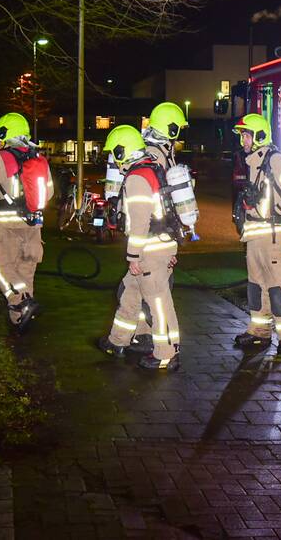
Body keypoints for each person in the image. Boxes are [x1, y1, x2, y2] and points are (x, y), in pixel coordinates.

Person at [97, 125, 182, 371]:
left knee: (158, 304)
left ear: (123, 151)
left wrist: (133, 256)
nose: (113, 159)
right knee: (129, 295)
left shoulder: (137, 178)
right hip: (160, 246)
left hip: (148, 250)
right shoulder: (152, 169)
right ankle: (117, 341)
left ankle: (166, 353)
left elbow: (140, 222)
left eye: (114, 153)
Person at [0, 112, 53, 332]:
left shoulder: (1, 158)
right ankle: (20, 318)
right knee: (24, 270)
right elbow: (49, 193)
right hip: (33, 226)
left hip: (6, 227)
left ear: (6, 132)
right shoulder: (39, 159)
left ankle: (20, 301)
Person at [231, 113, 281, 355]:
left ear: (259, 136)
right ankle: (259, 332)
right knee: (257, 287)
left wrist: (280, 209)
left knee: (278, 288)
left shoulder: (275, 160)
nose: (243, 140)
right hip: (255, 237)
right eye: (242, 135)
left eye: (246, 135)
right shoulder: (254, 162)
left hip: (274, 237)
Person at [143, 101, 188, 170]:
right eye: (180, 128)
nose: (181, 131)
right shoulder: (156, 154)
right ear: (172, 129)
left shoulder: (156, 149)